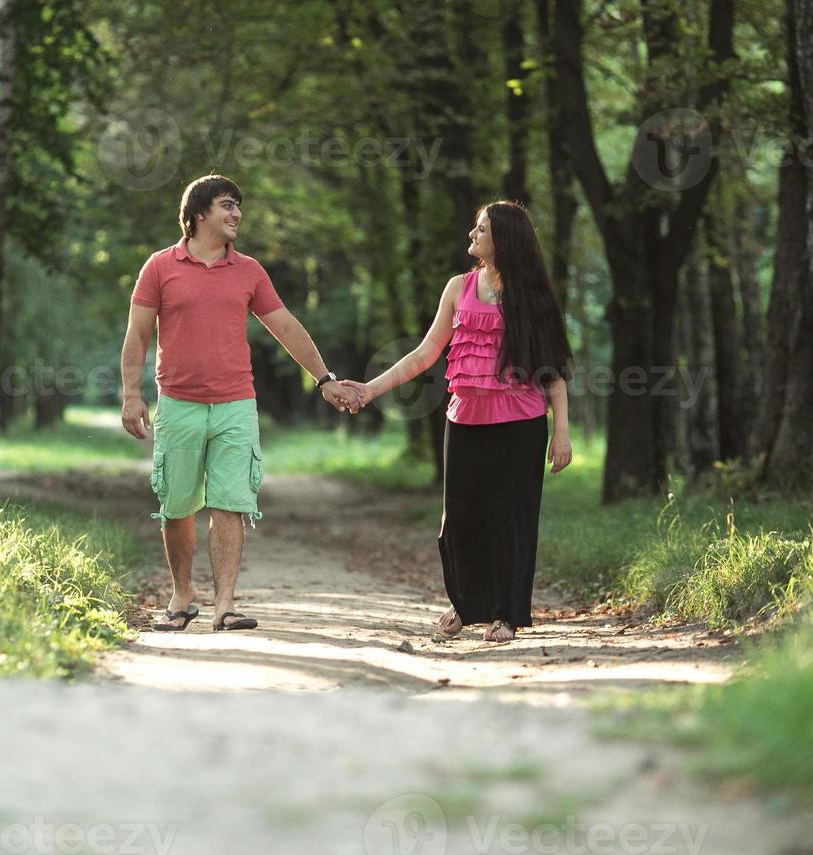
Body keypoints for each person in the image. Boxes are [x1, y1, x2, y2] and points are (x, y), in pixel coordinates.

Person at [120, 175, 362, 632]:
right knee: (177, 506)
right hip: (178, 404)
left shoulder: (249, 270)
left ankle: (225, 604)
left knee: (231, 503)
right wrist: (131, 394)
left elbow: (285, 325)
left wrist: (324, 378)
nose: (237, 215)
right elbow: (136, 334)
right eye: (228, 206)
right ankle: (182, 595)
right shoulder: (159, 267)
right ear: (198, 214)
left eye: (238, 207)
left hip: (235, 403)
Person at [345, 201, 572, 643]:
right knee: (462, 517)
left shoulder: (533, 294)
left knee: (511, 516)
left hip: (520, 422)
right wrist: (370, 389)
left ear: (502, 239)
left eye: (481, 228)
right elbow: (426, 353)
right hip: (465, 419)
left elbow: (552, 368)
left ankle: (506, 615)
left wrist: (561, 431)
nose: (472, 234)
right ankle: (467, 606)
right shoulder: (458, 287)